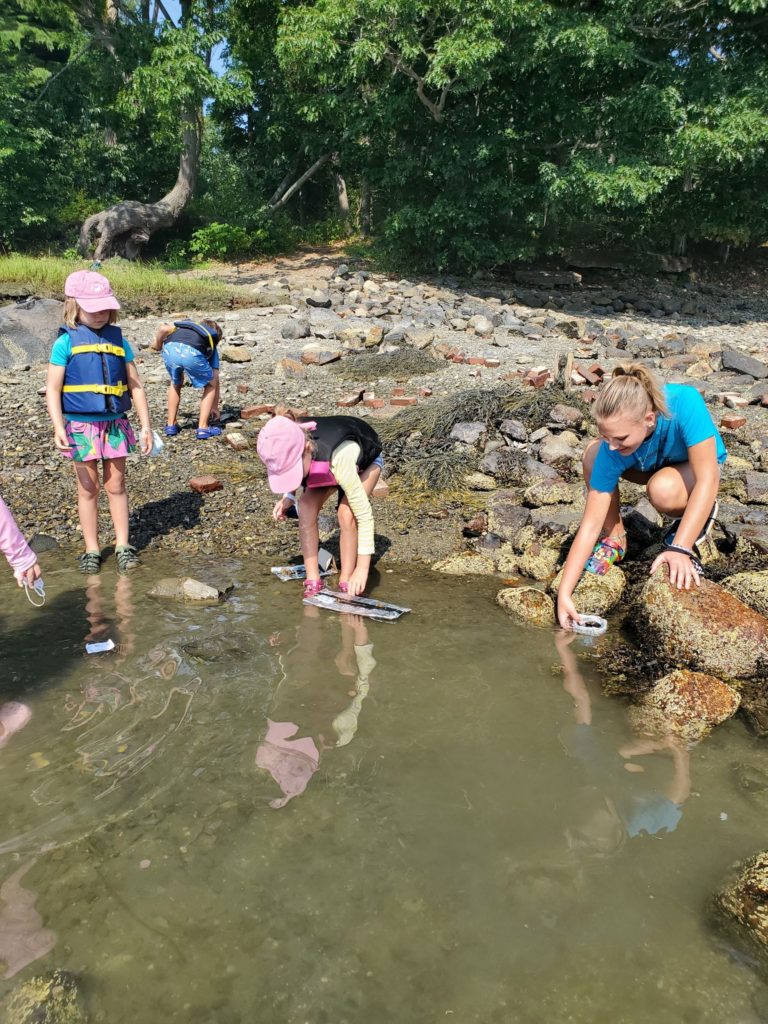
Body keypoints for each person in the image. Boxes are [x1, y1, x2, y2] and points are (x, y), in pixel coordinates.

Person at [557, 364, 726, 630]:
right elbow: (590, 525)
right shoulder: (615, 444)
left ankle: (698, 513)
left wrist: (680, 548)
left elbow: (709, 478)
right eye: (606, 436)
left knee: (662, 490)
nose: (612, 445)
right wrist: (564, 594)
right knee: (593, 454)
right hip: (647, 462)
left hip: (693, 469)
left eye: (620, 437)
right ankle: (615, 539)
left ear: (649, 419)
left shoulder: (685, 402)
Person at [45, 270, 153, 574]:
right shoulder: (65, 343)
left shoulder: (119, 340)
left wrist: (146, 426)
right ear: (73, 305)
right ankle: (92, 548)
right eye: (93, 309)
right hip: (80, 426)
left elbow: (136, 386)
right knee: (88, 487)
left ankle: (122, 544)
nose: (100, 314)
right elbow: (53, 389)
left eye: (105, 308)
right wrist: (57, 426)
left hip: (115, 424)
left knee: (116, 484)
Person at [257, 409, 383, 598]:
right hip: (324, 468)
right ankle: (313, 579)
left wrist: (362, 569)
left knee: (346, 514)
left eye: (294, 471)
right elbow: (290, 474)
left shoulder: (338, 458)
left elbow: (364, 516)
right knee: (306, 508)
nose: (294, 477)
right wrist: (288, 498)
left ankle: (347, 577)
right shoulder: (286, 440)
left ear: (307, 448)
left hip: (365, 460)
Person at [151, 318, 223, 439]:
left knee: (176, 382)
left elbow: (163, 328)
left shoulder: (183, 329)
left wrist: (158, 345)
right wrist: (214, 407)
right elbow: (214, 378)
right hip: (191, 352)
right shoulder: (209, 339)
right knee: (210, 385)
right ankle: (203, 428)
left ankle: (171, 425)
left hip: (170, 348)